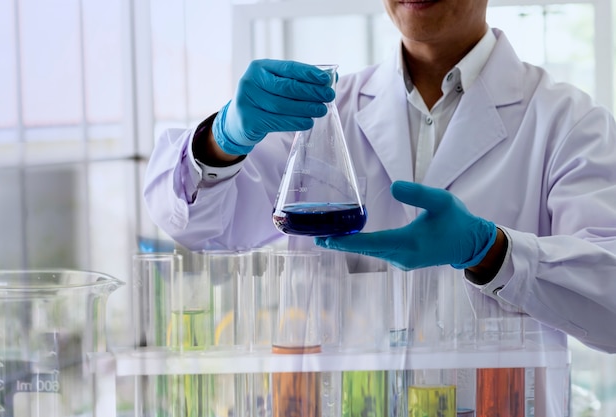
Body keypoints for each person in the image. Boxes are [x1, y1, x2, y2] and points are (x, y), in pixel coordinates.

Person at [144, 0, 616, 361]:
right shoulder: (321, 114)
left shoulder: (567, 123)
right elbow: (198, 225)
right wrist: (223, 138)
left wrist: (493, 253)